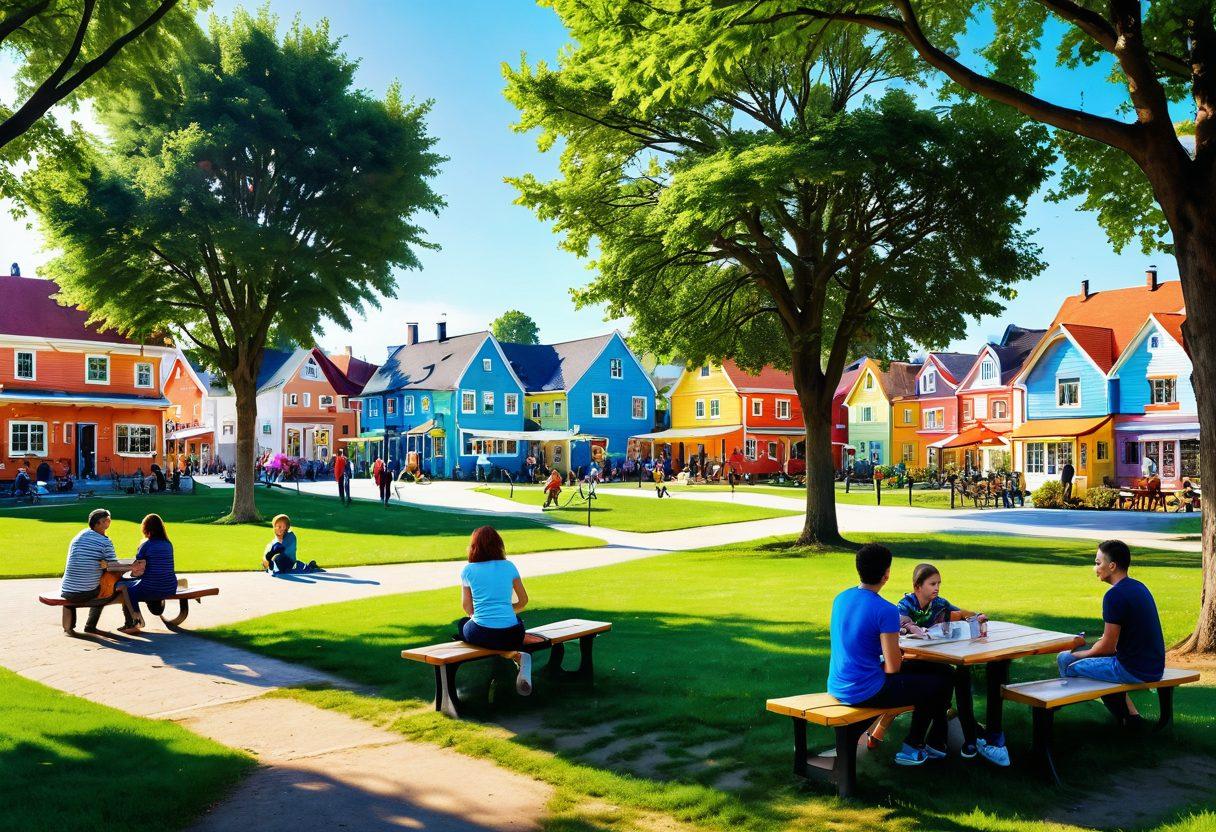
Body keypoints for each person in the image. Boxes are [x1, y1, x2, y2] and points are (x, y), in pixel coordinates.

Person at [828, 543, 951, 767]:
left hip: (838, 683)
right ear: (887, 574)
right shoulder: (885, 610)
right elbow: (893, 667)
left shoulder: (841, 598)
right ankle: (913, 747)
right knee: (937, 683)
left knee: (941, 671)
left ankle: (934, 742)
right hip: (865, 690)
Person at [1056, 540, 1165, 726]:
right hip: (1154, 666)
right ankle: (1131, 717)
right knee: (1097, 661)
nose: (1094, 568)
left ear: (1112, 566)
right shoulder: (1139, 587)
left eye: (1098, 563)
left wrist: (1078, 655)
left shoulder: (1114, 596)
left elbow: (1107, 647)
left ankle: (1057, 706)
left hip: (1132, 669)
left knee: (1064, 660)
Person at [896, 564, 989, 761]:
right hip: (909, 661)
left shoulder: (940, 603)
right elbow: (901, 620)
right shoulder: (906, 604)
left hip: (933, 658)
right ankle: (935, 739)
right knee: (945, 678)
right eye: (932, 584)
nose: (936, 588)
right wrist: (913, 628)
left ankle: (938, 740)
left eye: (938, 583)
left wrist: (976, 617)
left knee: (949, 675)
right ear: (917, 587)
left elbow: (962, 613)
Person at [457, 526, 532, 695]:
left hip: (483, 633)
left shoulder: (468, 570)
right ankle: (514, 655)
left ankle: (513, 657)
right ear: (499, 545)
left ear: (474, 547)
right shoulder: (509, 566)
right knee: (517, 621)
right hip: (513, 633)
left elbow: (467, 608)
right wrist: (508, 609)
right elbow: (523, 601)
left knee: (463, 624)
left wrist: (478, 616)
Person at [59, 508, 141, 634]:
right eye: (105, 520)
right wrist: (131, 566)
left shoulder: (79, 536)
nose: (109, 521)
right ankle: (129, 624)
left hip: (67, 590)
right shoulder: (104, 542)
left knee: (96, 584)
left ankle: (71, 628)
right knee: (120, 590)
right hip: (87, 592)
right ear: (97, 524)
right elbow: (114, 566)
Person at [116, 514, 178, 632]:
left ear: (146, 529)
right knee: (146, 583)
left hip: (152, 587)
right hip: (170, 586)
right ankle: (151, 610)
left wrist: (140, 545)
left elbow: (137, 567)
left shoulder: (146, 545)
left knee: (126, 588)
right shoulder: (168, 544)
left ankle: (136, 621)